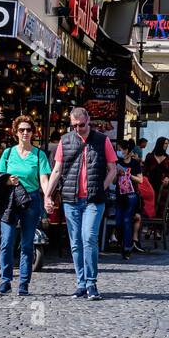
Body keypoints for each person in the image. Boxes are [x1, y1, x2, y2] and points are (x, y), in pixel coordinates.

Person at [45, 107, 118, 300]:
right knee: (75, 243)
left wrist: (102, 187)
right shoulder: (65, 140)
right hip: (71, 199)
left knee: (89, 238)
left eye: (82, 125)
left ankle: (91, 283)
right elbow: (57, 170)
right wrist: (47, 195)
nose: (78, 128)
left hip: (94, 199)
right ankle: (81, 283)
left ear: (89, 121)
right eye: (74, 125)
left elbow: (113, 169)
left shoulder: (102, 140)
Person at [0, 115, 52, 296]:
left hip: (31, 200)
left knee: (27, 244)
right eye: (21, 130)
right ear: (15, 133)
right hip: (10, 200)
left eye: (28, 130)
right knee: (7, 241)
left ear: (33, 133)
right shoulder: (8, 153)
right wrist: (8, 180)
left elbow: (43, 178)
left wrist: (47, 197)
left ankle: (24, 284)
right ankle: (6, 281)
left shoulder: (39, 154)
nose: (25, 132)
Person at [113, 139, 143, 259]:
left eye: (122, 149)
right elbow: (114, 181)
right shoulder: (117, 162)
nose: (120, 151)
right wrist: (117, 174)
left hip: (131, 194)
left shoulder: (135, 164)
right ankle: (122, 241)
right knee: (119, 221)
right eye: (119, 149)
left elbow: (140, 179)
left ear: (127, 150)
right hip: (120, 194)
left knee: (126, 220)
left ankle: (127, 248)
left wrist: (128, 175)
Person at [131, 171, 156, 252]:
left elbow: (147, 195)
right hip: (140, 208)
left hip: (145, 209)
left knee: (135, 216)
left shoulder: (142, 181)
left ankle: (134, 241)